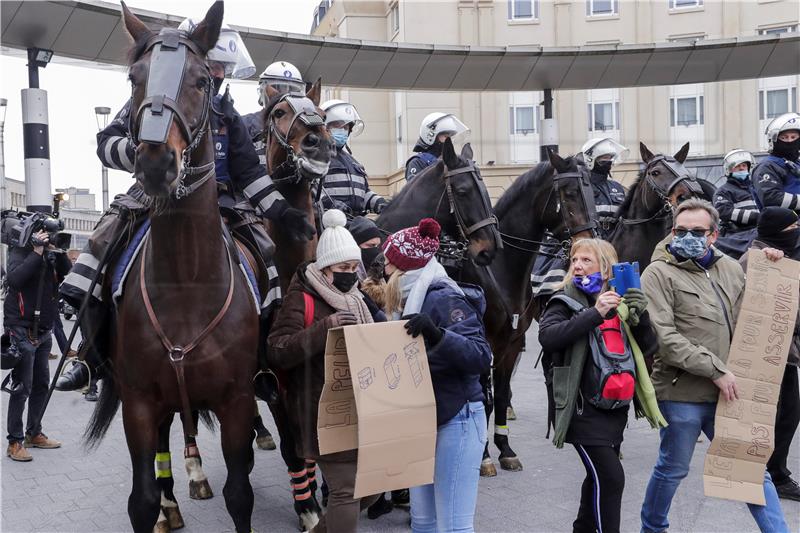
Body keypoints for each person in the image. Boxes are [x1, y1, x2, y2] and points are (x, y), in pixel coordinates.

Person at [57, 22, 313, 392]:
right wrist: (143, 155)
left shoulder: (226, 113)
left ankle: (260, 364)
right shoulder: (149, 99)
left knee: (267, 260)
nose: (219, 73)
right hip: (152, 193)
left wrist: (282, 213)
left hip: (222, 200)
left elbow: (249, 172)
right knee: (100, 245)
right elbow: (106, 142)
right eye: (214, 65)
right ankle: (89, 356)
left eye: (224, 68)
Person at [639, 198, 789, 533]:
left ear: (714, 235)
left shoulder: (731, 267)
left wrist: (771, 266)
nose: (687, 236)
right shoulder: (658, 273)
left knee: (752, 470)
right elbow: (665, 337)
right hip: (682, 394)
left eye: (697, 231)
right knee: (673, 468)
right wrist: (715, 370)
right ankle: (652, 528)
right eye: (680, 230)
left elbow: (755, 316)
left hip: (731, 393)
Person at [267, 209, 384, 533]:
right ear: (325, 268)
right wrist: (325, 329)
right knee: (346, 492)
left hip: (362, 407)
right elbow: (277, 350)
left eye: (353, 267)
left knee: (372, 488)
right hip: (323, 411)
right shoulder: (302, 297)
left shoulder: (356, 297)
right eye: (342, 268)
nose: (350, 274)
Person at [538, 238, 659, 533]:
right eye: (575, 260)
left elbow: (650, 346)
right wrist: (594, 313)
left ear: (606, 267)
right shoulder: (563, 299)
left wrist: (640, 316)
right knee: (610, 477)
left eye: (586, 260)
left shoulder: (619, 299)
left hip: (614, 405)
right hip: (581, 408)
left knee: (596, 478)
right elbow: (548, 337)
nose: (578, 266)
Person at [381, 218, 492, 533]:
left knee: (453, 527)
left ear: (406, 268)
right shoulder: (408, 298)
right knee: (424, 523)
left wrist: (438, 334)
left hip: (458, 417)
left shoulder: (442, 297)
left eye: (389, 262)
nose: (384, 269)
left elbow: (480, 355)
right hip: (426, 418)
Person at [740, 207, 800, 501]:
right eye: (793, 228)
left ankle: (771, 473)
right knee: (770, 417)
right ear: (777, 231)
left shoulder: (780, 258)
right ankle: (769, 475)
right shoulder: (755, 262)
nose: (796, 233)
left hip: (784, 353)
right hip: (764, 356)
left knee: (788, 414)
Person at [4, 230, 71, 461]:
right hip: (21, 328)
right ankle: (14, 442)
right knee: (22, 386)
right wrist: (35, 252)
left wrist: (58, 251)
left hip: (43, 330)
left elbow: (67, 275)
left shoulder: (50, 255)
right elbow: (14, 280)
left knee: (42, 384)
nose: (48, 238)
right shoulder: (19, 252)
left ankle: (34, 433)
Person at [319, 100, 388, 215]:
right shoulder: (318, 158)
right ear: (325, 127)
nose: (343, 130)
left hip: (356, 220)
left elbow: (364, 193)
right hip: (330, 221)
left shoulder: (353, 162)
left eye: (346, 127)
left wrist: (380, 203)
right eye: (338, 125)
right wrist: (330, 204)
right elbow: (311, 190)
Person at [242, 60, 307, 167]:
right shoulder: (245, 124)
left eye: (291, 90)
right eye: (277, 89)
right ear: (264, 92)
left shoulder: (304, 126)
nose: (284, 97)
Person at [580, 138, 628, 240]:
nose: (608, 162)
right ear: (590, 160)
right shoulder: (581, 186)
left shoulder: (617, 187)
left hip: (616, 239)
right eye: (604, 158)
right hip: (590, 240)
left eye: (610, 158)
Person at [752, 112, 800, 211]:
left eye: (793, 137)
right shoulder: (767, 166)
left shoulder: (797, 163)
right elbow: (770, 198)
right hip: (785, 224)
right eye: (784, 137)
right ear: (774, 140)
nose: (790, 141)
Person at [405, 113, 469, 181]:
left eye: (450, 137)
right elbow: (415, 190)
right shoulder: (417, 163)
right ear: (431, 136)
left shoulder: (451, 162)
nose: (449, 141)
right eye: (446, 136)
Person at [713, 149, 760, 234]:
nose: (741, 168)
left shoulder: (755, 187)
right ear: (729, 169)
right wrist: (755, 217)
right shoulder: (723, 191)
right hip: (737, 235)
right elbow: (724, 211)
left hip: (759, 232)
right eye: (737, 166)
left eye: (744, 165)